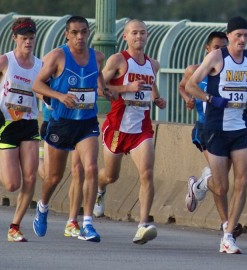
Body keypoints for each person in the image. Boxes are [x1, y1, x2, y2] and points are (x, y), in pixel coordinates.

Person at [185, 16, 247, 254]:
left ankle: (228, 235)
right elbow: (191, 85)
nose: (242, 40)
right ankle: (200, 184)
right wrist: (211, 99)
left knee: (242, 181)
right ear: (229, 36)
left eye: (246, 35)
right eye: (238, 35)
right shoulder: (216, 57)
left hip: (241, 126)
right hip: (216, 128)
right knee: (221, 188)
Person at [31, 15, 114, 243]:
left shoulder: (97, 57)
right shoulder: (58, 56)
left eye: (84, 32)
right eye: (75, 32)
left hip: (86, 122)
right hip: (62, 122)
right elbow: (36, 84)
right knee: (54, 177)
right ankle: (43, 205)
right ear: (67, 34)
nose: (80, 37)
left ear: (89, 33)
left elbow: (96, 77)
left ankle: (87, 223)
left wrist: (104, 90)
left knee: (91, 168)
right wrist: (59, 96)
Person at [94, 19, 166, 244]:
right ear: (125, 36)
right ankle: (99, 188)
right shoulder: (118, 60)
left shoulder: (153, 64)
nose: (139, 37)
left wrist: (157, 98)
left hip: (142, 128)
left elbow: (151, 84)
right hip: (117, 126)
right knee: (110, 176)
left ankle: (143, 224)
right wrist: (125, 88)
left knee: (147, 174)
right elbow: (98, 88)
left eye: (143, 33)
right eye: (134, 33)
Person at [0, 17, 42, 242]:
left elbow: (44, 93)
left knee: (31, 177)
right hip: (7, 126)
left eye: (31, 38)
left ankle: (15, 226)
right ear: (15, 38)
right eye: (24, 38)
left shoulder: (40, 66)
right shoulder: (5, 61)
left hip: (30, 124)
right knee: (13, 184)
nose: (28, 42)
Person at [178, 31, 247, 237]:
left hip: (227, 128)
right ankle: (225, 223)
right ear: (207, 49)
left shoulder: (228, 69)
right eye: (217, 47)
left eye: (223, 47)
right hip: (204, 128)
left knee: (222, 181)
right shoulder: (194, 70)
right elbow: (183, 86)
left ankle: (199, 184)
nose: (221, 51)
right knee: (221, 182)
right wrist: (187, 99)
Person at [37, 103, 85, 238]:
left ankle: (72, 221)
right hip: (54, 121)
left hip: (80, 121)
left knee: (78, 170)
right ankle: (35, 160)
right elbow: (38, 87)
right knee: (51, 176)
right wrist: (52, 99)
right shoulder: (52, 80)